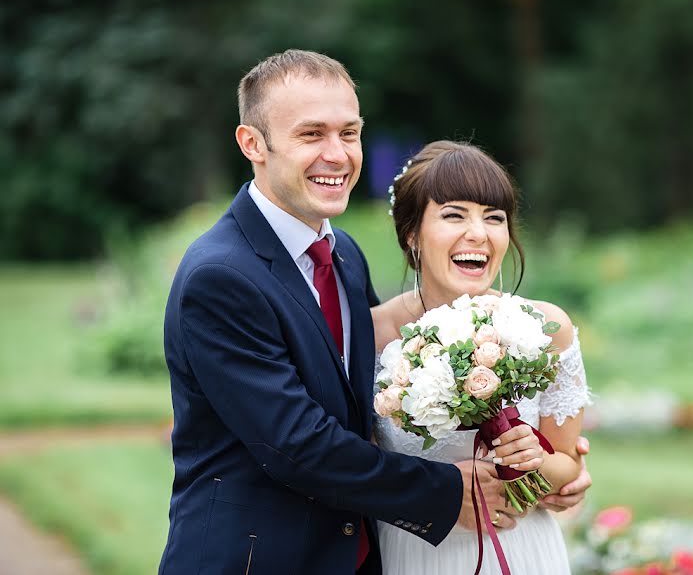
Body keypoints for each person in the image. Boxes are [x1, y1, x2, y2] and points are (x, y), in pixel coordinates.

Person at [156, 50, 546, 574]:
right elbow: (298, 444)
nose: (337, 155)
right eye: (311, 134)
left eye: (349, 132)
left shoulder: (344, 255)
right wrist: (451, 489)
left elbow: (374, 403)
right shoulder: (221, 277)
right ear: (254, 145)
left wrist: (550, 466)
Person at [371, 140, 593, 574]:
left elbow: (567, 467)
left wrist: (535, 461)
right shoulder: (370, 334)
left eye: (495, 217)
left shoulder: (545, 330)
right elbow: (348, 463)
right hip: (414, 552)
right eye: (454, 215)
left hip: (522, 549)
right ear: (412, 233)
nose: (479, 233)